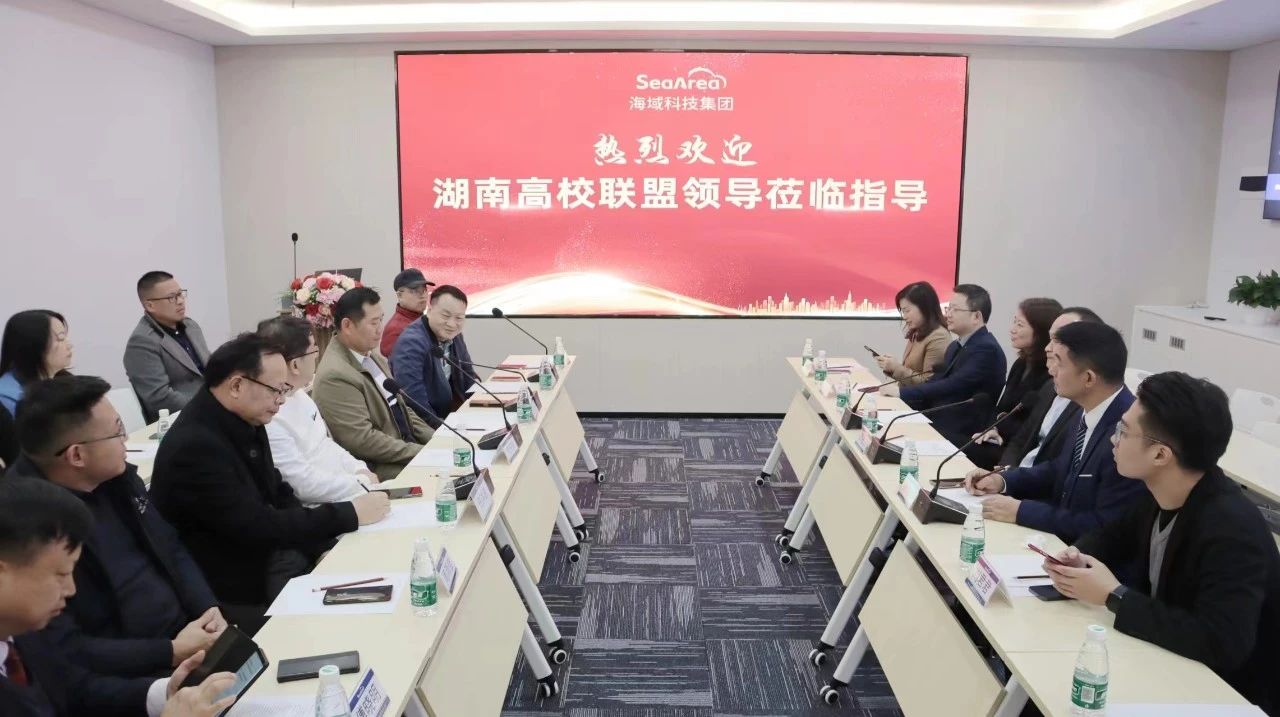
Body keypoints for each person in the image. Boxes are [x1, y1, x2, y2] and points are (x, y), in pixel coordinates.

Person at [1044, 372, 1280, 714]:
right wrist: (1077, 556)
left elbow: (1222, 642)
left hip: (1228, 694)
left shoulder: (1231, 529)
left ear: (1160, 455)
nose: (1113, 439)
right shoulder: (1161, 491)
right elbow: (1113, 536)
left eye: (1123, 431)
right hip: (1170, 663)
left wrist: (1114, 596)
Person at [150, 333, 389, 633]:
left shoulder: (244, 416)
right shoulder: (195, 447)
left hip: (268, 557)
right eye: (275, 391)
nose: (281, 401)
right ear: (237, 386)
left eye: (285, 390)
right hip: (232, 589)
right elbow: (256, 526)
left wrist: (322, 547)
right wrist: (349, 514)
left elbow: (278, 492)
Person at [7, 375, 225, 680]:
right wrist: (169, 651)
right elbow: (67, 648)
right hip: (134, 673)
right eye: (117, 431)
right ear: (77, 455)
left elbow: (170, 545)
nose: (126, 440)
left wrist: (207, 608)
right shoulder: (27, 525)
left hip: (188, 633)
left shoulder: (115, 476)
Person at [0, 476, 233, 717]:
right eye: (60, 575)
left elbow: (77, 690)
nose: (70, 590)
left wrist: (165, 692)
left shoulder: (23, 632)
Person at [964, 321, 1145, 543]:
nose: (1052, 370)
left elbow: (1104, 525)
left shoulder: (1127, 431)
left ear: (1088, 378)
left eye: (1059, 362)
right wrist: (1002, 480)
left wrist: (1021, 511)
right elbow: (1059, 469)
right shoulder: (1086, 408)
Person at [313, 288, 434, 482]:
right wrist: (423, 453)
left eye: (381, 320)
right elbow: (363, 440)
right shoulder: (335, 375)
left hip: (403, 450)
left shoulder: (371, 357)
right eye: (373, 322)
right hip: (379, 467)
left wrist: (436, 441)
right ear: (347, 325)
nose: (380, 329)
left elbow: (403, 410)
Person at [257, 316, 380, 505]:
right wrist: (359, 483)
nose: (317, 356)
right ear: (295, 365)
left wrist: (359, 469)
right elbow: (302, 485)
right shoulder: (270, 416)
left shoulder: (300, 395)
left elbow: (325, 444)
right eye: (314, 350)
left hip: (349, 489)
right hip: (322, 508)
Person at [882, 284, 1007, 443]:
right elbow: (935, 381)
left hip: (965, 432)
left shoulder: (986, 349)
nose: (948, 314)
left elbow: (952, 385)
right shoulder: (956, 346)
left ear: (976, 316)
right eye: (948, 308)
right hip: (940, 419)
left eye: (955, 309)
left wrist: (901, 393)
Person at [994, 307, 1102, 469]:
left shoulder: (1089, 402)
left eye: (1058, 341)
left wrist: (1011, 480)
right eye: (1050, 339)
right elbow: (1021, 440)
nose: (1048, 347)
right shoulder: (1049, 387)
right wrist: (1003, 473)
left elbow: (1058, 468)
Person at [964, 298, 1061, 469]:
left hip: (1018, 451)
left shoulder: (1050, 374)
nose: (1012, 329)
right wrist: (993, 429)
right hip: (1000, 440)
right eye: (1014, 322)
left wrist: (1001, 426)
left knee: (960, 447)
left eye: (1020, 325)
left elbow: (1031, 425)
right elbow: (1002, 407)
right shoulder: (1021, 363)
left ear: (1041, 331)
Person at [123, 272, 211, 423]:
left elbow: (210, 368)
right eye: (172, 297)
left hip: (212, 408)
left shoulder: (191, 326)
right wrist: (209, 407)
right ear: (150, 305)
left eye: (180, 294)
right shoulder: (142, 342)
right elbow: (159, 398)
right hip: (181, 420)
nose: (180, 301)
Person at [391, 285, 478, 423]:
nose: (452, 324)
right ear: (430, 310)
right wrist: (444, 429)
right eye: (445, 316)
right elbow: (414, 402)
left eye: (459, 318)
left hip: (451, 416)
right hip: (427, 424)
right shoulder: (411, 343)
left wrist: (482, 404)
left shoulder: (454, 335)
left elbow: (468, 374)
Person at [874, 281, 950, 387]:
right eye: (903, 312)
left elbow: (929, 384)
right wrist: (891, 366)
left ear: (924, 308)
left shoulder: (939, 337)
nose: (904, 317)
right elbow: (911, 373)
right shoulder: (917, 331)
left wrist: (896, 368)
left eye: (907, 311)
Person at [0, 310, 73, 415]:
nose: (69, 345)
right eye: (61, 339)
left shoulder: (64, 383)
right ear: (33, 345)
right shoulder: (7, 399)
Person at [380, 268, 435, 358]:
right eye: (415, 291)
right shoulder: (396, 329)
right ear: (399, 295)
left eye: (424, 290)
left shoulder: (425, 320)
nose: (422, 295)